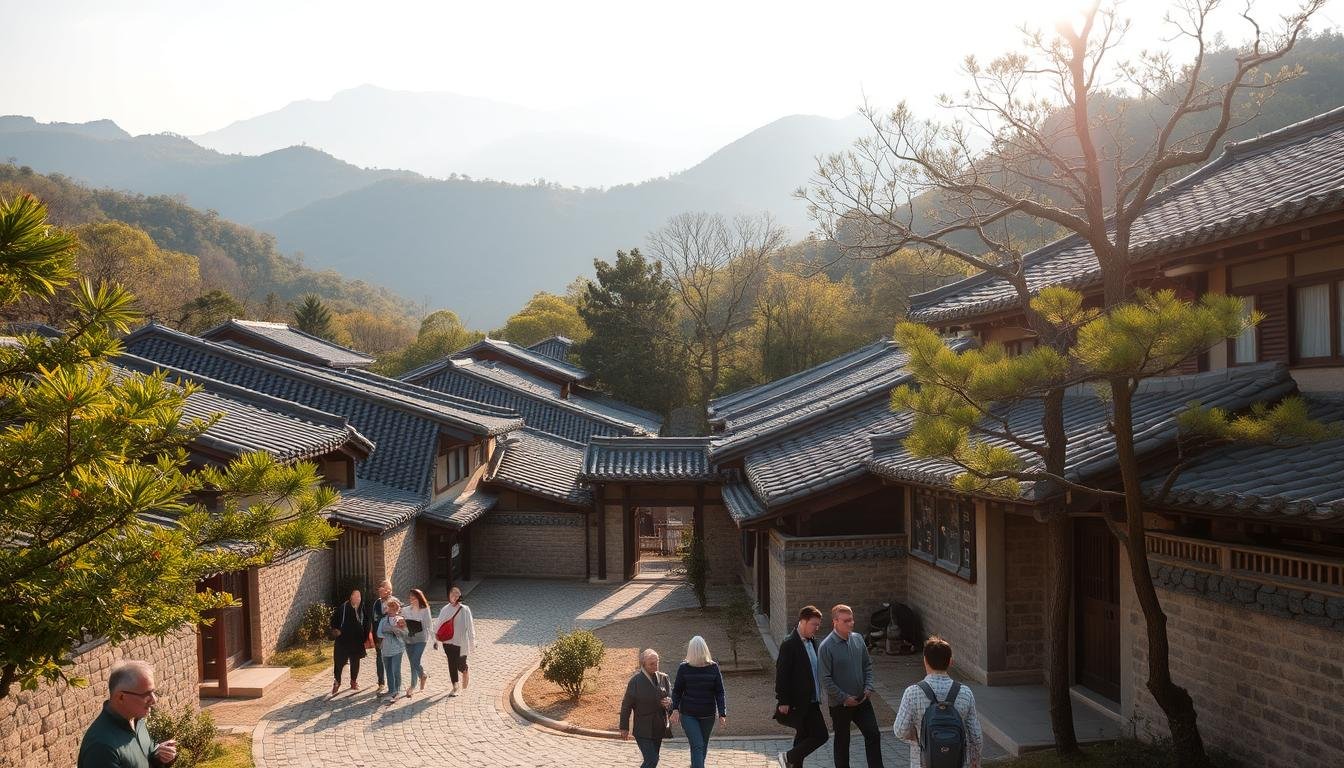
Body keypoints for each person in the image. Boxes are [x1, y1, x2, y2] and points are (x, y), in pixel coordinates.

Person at [892, 636, 983, 768]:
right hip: (956, 762)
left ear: (925, 661)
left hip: (922, 763)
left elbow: (900, 730)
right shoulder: (965, 693)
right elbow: (976, 735)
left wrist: (919, 736)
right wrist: (975, 761)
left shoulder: (912, 693)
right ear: (950, 662)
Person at [77, 660, 178, 767]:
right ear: (121, 697)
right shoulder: (101, 747)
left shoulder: (137, 720)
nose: (154, 699)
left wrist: (158, 757)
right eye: (146, 694)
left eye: (153, 692)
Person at [819, 604, 884, 768]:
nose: (851, 623)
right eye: (846, 621)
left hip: (862, 700)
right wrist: (844, 698)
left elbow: (867, 666)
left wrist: (868, 688)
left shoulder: (858, 639)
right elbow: (825, 679)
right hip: (841, 705)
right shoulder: (826, 647)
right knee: (842, 743)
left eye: (851, 620)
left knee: (873, 734)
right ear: (835, 622)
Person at [775, 605, 829, 768]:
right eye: (814, 624)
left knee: (803, 737)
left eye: (818, 624)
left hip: (812, 700)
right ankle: (787, 757)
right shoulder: (789, 644)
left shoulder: (813, 642)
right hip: (799, 702)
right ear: (803, 621)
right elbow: (782, 674)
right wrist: (783, 700)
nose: (817, 628)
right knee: (821, 735)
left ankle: (791, 762)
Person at [670, 635, 726, 768]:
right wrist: (675, 709)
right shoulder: (684, 668)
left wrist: (722, 713)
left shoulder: (713, 667)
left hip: (708, 715)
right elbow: (677, 690)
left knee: (702, 745)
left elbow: (720, 691)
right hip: (689, 715)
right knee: (698, 745)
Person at [620, 648, 673, 768]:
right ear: (643, 665)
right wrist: (624, 727)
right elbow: (626, 706)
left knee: (653, 761)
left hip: (659, 727)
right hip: (642, 729)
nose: (655, 666)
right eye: (651, 664)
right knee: (652, 759)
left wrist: (669, 703)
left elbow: (671, 698)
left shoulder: (664, 678)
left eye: (657, 663)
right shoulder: (635, 682)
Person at [330, 588, 373, 696]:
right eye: (356, 596)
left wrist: (365, 636)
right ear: (351, 597)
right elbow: (334, 620)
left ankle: (353, 681)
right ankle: (337, 681)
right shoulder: (344, 607)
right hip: (343, 640)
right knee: (339, 662)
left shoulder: (362, 608)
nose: (358, 598)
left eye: (359, 596)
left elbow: (367, 622)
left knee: (355, 662)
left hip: (356, 641)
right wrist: (336, 630)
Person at [433, 584, 475, 695]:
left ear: (460, 596)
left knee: (460, 664)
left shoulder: (465, 610)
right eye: (453, 594)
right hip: (448, 642)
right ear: (449, 596)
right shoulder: (445, 609)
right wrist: (435, 639)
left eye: (457, 595)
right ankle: (455, 686)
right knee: (451, 663)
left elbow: (470, 627)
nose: (455, 597)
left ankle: (465, 670)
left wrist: (472, 643)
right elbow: (438, 624)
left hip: (461, 642)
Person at [376, 597, 409, 705]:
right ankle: (391, 690)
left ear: (397, 609)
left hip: (397, 648)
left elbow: (405, 633)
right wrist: (391, 630)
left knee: (395, 670)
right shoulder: (383, 620)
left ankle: (397, 691)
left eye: (393, 609)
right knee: (388, 670)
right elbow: (379, 633)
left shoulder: (400, 620)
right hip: (385, 649)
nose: (391, 611)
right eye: (389, 608)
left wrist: (395, 630)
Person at [403, 588, 433, 695]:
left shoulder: (425, 610)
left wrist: (434, 640)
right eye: (411, 598)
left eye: (414, 598)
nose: (412, 600)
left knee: (415, 660)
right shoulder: (405, 610)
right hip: (409, 639)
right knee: (412, 663)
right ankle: (412, 686)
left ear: (419, 598)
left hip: (421, 639)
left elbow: (429, 626)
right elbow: (403, 624)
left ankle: (422, 675)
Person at [371, 579, 392, 693]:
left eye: (382, 587)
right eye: (380, 587)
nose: (380, 589)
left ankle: (392, 683)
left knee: (391, 659)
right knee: (379, 657)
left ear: (388, 590)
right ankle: (381, 682)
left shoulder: (393, 602)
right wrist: (374, 636)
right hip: (379, 636)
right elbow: (374, 620)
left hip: (390, 636)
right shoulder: (377, 603)